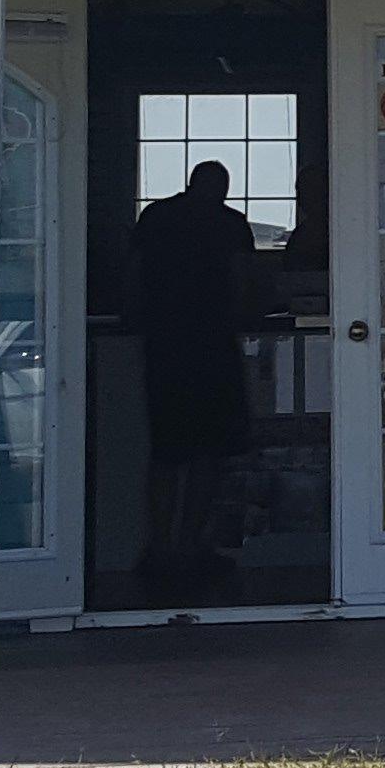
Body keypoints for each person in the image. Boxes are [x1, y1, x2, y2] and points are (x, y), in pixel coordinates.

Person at [126, 158, 264, 592]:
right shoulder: (230, 224)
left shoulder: (157, 216)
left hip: (165, 345)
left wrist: (134, 317)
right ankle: (189, 546)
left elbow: (132, 271)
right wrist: (247, 317)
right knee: (208, 452)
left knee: (166, 452)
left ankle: (161, 547)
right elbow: (244, 281)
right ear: (222, 188)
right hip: (213, 346)